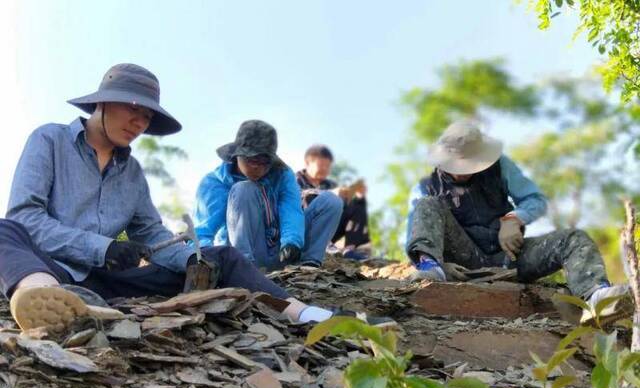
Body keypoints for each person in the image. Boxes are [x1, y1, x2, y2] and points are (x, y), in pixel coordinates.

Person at [0, 63, 392, 333]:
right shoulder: (49, 140)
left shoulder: (132, 173)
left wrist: (192, 256)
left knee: (219, 256)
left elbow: (153, 234)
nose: (140, 122)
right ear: (102, 101)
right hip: (53, 267)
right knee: (5, 230)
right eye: (133, 109)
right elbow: (26, 218)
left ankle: (310, 315)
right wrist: (101, 247)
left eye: (148, 116)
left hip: (111, 283)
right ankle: (39, 299)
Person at [406, 120, 631, 323]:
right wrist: (438, 263)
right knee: (427, 205)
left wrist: (514, 219)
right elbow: (417, 236)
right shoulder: (425, 187)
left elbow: (535, 199)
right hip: (464, 261)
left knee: (573, 238)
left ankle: (597, 297)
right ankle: (433, 268)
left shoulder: (500, 166)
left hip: (510, 255)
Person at [194, 121, 343, 269]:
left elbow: (291, 208)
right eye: (252, 160)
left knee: (331, 201)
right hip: (242, 256)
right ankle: (244, 268)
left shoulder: (282, 174)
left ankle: (308, 263)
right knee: (244, 189)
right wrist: (206, 259)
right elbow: (202, 231)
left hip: (282, 251)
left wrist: (292, 241)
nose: (258, 167)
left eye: (264, 161)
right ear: (236, 155)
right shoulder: (213, 183)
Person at [296, 144, 370, 260]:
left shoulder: (329, 184)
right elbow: (298, 198)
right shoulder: (295, 180)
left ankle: (349, 250)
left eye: (328, 166)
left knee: (356, 204)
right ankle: (324, 245)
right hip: (303, 226)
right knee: (310, 197)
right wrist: (329, 194)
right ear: (307, 163)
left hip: (330, 229)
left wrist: (357, 195)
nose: (325, 169)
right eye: (321, 165)